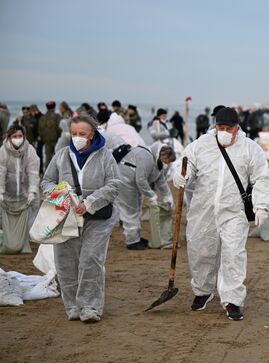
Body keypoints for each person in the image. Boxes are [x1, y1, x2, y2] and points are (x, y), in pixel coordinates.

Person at [173, 107, 269, 321]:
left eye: (229, 128)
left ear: (237, 128)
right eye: (221, 127)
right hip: (203, 209)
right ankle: (203, 290)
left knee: (233, 255)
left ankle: (232, 300)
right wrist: (181, 175)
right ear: (215, 125)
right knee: (200, 250)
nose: (225, 131)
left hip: (234, 210)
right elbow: (185, 162)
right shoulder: (201, 145)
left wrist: (262, 205)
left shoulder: (250, 148)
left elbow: (262, 178)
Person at [41, 114, 121, 323]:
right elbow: (46, 182)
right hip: (66, 218)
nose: (77, 138)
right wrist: (62, 195)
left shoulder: (105, 157)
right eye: (74, 133)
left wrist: (90, 203)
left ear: (92, 134)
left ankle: (90, 307)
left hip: (98, 218)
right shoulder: (61, 155)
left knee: (90, 260)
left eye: (82, 134)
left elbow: (114, 184)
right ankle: (73, 307)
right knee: (66, 263)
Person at [116, 143, 175, 250]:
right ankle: (132, 241)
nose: (167, 164)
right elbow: (141, 180)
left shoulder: (157, 162)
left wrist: (168, 196)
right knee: (130, 211)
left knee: (136, 209)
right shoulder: (146, 157)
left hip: (132, 184)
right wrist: (151, 196)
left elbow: (161, 181)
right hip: (125, 182)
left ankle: (136, 237)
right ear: (162, 155)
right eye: (167, 161)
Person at [0, 125, 40, 254]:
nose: (18, 139)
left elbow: (33, 172)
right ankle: (6, 238)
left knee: (33, 209)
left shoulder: (30, 151)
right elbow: (1, 172)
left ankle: (23, 239)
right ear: (9, 138)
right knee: (4, 216)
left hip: (25, 187)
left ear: (24, 137)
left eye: (20, 136)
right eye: (14, 136)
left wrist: (32, 191)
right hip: (8, 188)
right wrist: (0, 190)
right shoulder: (3, 151)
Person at [39, 101, 62, 169]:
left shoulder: (42, 118)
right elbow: (60, 128)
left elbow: (40, 130)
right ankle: (58, 174)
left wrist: (43, 138)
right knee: (58, 158)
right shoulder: (57, 116)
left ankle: (47, 175)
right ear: (54, 107)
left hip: (46, 141)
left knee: (48, 159)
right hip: (56, 140)